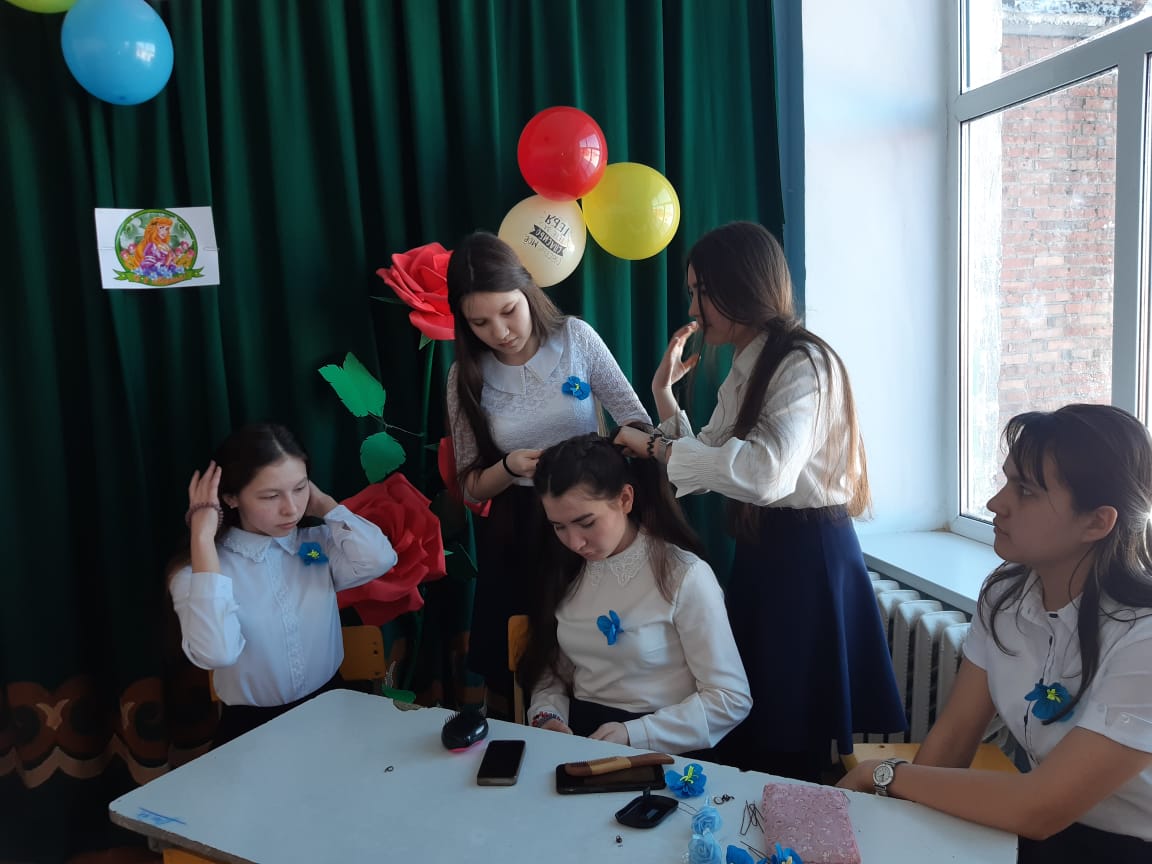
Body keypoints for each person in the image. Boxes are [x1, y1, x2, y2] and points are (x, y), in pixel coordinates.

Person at [615, 221, 904, 781]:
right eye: (692, 292)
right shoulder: (750, 362)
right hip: (768, 548)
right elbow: (710, 457)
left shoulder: (803, 363)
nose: (693, 308)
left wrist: (654, 445)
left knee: (792, 728)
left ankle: (796, 822)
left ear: (741, 285)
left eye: (702, 291)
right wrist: (663, 397)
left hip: (807, 554)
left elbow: (763, 474)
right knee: (761, 716)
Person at [839, 404, 1152, 862]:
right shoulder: (1008, 594)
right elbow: (953, 736)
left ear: (1097, 522)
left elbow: (1040, 807)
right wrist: (901, 832)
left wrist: (883, 775)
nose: (995, 504)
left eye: (1025, 491)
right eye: (1006, 482)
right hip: (1048, 826)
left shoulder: (1141, 639)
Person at [445, 232, 650, 716]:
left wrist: (602, 460)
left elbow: (636, 422)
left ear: (527, 291)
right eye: (480, 322)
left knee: (598, 648)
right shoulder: (466, 375)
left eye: (508, 311)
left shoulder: (575, 338)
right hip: (519, 529)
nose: (500, 332)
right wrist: (508, 467)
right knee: (524, 656)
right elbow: (469, 485)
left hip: (590, 517)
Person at [519, 433, 751, 755]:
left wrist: (635, 734)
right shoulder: (565, 570)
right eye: (559, 527)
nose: (574, 542)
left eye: (586, 522)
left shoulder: (683, 574)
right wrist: (547, 716)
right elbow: (554, 671)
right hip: (581, 737)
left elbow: (730, 699)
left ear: (625, 499)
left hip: (665, 742)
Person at [169, 423, 398, 745]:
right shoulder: (200, 573)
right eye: (271, 495)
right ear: (231, 498)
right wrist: (202, 538)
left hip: (333, 706)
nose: (291, 508)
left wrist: (325, 505)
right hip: (252, 729)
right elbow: (217, 653)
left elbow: (380, 559)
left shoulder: (313, 547)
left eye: (300, 488)